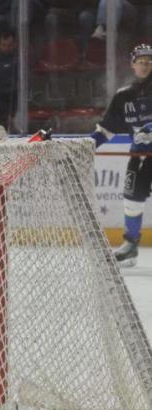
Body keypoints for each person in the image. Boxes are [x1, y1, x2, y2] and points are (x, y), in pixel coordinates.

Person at [92, 44, 152, 267]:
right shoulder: (123, 95)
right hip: (139, 156)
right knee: (132, 201)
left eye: (149, 61)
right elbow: (106, 129)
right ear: (133, 64)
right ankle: (130, 247)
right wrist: (89, 145)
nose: (145, 65)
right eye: (141, 61)